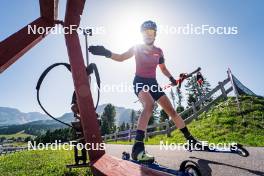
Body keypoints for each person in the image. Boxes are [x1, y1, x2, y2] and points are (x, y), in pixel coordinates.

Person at [85, 20, 201, 162]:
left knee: (172, 112)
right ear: (141, 34)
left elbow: (163, 68)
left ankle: (190, 140)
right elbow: (121, 57)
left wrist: (171, 78)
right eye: (145, 32)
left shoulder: (159, 51)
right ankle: (138, 148)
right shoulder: (137, 47)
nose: (148, 35)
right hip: (140, 81)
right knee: (149, 105)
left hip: (153, 83)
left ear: (155, 34)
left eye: (151, 32)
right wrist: (105, 52)